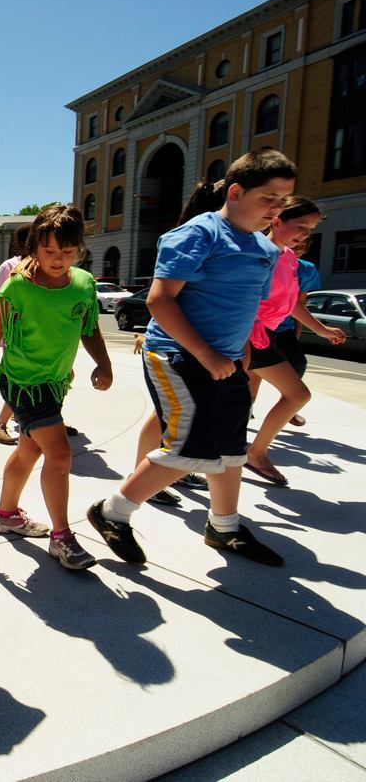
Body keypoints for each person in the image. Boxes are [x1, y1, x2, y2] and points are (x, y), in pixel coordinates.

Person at [87, 150, 299, 568]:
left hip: (228, 361)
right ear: (236, 191)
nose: (277, 209)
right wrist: (205, 353)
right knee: (190, 447)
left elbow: (243, 307)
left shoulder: (263, 249)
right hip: (178, 356)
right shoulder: (198, 234)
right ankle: (112, 513)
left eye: (283, 200)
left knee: (231, 447)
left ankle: (224, 527)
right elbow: (160, 299)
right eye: (269, 198)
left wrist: (243, 354)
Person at [0, 205, 112, 569]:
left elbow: (89, 328)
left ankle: (5, 514)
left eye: (68, 252)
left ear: (79, 249)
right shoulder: (18, 287)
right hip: (21, 382)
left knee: (29, 451)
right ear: (34, 246)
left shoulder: (82, 284)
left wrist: (104, 362)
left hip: (53, 382)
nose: (58, 259)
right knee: (61, 455)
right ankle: (62, 536)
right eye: (49, 251)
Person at [135, 180, 228, 507]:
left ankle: (171, 468)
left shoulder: (228, 241)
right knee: (170, 419)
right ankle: (142, 481)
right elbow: (161, 299)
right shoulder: (197, 236)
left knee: (169, 418)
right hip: (179, 349)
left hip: (200, 348)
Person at [244, 196, 345, 486]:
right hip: (250, 336)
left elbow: (291, 304)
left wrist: (322, 329)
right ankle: (254, 453)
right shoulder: (257, 252)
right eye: (301, 225)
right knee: (297, 395)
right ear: (276, 219)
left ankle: (245, 451)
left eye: (310, 229)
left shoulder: (288, 257)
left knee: (237, 398)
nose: (305, 234)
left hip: (267, 336)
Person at [0, 224, 31, 446]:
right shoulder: (9, 267)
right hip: (14, 335)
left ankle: (49, 419)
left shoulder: (45, 266)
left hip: (39, 335)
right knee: (18, 379)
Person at [280, 236, 322, 427]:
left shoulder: (306, 269)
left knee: (298, 364)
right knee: (252, 376)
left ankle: (287, 407)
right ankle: (247, 412)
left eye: (303, 247)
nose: (298, 248)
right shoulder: (269, 259)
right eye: (296, 243)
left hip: (284, 328)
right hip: (259, 327)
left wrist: (297, 333)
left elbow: (299, 304)